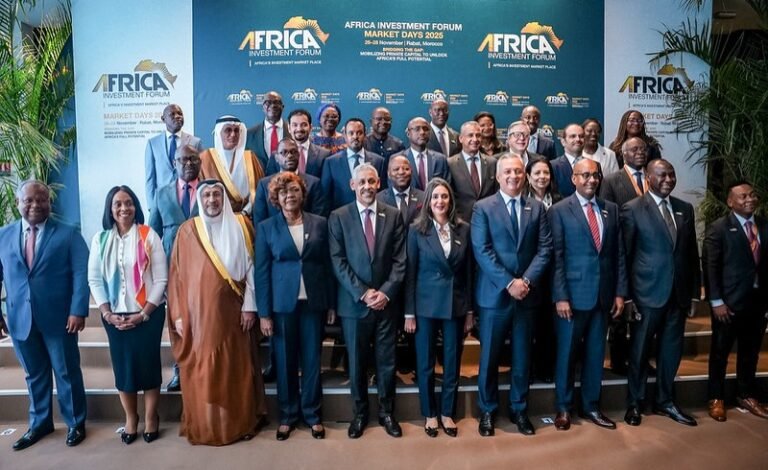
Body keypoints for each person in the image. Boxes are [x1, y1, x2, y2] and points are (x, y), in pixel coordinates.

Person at [167, 180, 267, 445]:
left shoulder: (241, 226)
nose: (212, 200)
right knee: (204, 371)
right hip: (199, 319)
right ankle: (208, 425)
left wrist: (250, 306)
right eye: (207, 195)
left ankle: (239, 423)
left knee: (236, 371)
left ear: (224, 198)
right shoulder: (187, 231)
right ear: (200, 200)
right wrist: (178, 315)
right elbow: (176, 277)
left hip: (236, 314)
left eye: (216, 195)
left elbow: (253, 269)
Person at [0, 180, 89, 450]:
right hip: (20, 318)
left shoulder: (68, 234)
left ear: (50, 203)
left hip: (60, 319)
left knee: (66, 372)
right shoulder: (3, 235)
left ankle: (75, 422)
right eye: (29, 200)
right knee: (34, 374)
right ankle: (39, 423)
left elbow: (81, 274)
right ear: (17, 203)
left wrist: (78, 310)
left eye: (42, 200)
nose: (35, 205)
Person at [471, 155, 553, 436]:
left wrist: (525, 281)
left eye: (518, 171)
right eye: (507, 171)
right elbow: (482, 250)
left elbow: (545, 249)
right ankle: (487, 410)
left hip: (527, 296)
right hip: (494, 296)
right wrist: (509, 283)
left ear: (525, 176)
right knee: (489, 358)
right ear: (497, 176)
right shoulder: (483, 208)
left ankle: (519, 410)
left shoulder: (537, 208)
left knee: (522, 358)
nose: (513, 176)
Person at [328, 163, 407, 439]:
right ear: (353, 185)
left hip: (386, 304)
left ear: (378, 184)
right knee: (357, 362)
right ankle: (360, 414)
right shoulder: (338, 217)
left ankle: (387, 413)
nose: (366, 187)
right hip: (354, 305)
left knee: (387, 361)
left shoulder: (393, 215)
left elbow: (400, 260)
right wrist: (363, 293)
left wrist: (385, 292)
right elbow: (337, 261)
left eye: (371, 181)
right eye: (361, 182)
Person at [255, 172, 335, 440]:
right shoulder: (266, 227)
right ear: (276, 198)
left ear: (303, 194)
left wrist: (331, 304)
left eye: (295, 190)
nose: (290, 195)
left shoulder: (320, 223)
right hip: (281, 306)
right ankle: (288, 415)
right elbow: (261, 273)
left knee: (312, 360)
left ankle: (312, 415)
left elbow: (327, 266)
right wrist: (264, 313)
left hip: (313, 303)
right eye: (284, 192)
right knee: (285, 361)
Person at [549, 158, 627, 431]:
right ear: (574, 179)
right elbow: (556, 257)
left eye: (595, 175)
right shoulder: (559, 210)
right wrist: (560, 296)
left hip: (603, 296)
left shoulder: (611, 209)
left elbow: (618, 253)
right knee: (567, 355)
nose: (591, 180)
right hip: (571, 297)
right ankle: (564, 407)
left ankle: (591, 406)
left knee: (596, 354)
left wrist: (620, 292)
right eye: (585, 175)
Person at [621, 159, 700, 427]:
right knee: (640, 352)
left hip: (678, 295)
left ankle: (665, 401)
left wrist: (694, 293)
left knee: (671, 352)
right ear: (648, 178)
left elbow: (691, 253)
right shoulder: (632, 209)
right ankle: (635, 402)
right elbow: (625, 255)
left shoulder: (684, 209)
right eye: (662, 175)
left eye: (671, 174)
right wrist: (627, 297)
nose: (668, 179)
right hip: (646, 295)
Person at [88, 185, 167, 444]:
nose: (124, 208)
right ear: (110, 209)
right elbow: (94, 279)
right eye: (118, 204)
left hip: (148, 316)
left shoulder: (148, 235)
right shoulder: (100, 239)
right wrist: (106, 313)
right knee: (123, 370)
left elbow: (161, 279)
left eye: (129, 203)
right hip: (115, 317)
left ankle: (152, 418)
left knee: (149, 367)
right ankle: (131, 418)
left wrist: (144, 314)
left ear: (136, 206)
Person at [404, 178, 473, 438]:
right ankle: (430, 413)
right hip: (425, 305)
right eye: (435, 197)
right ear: (428, 202)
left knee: (452, 362)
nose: (440, 201)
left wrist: (469, 311)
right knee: (425, 363)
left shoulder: (463, 229)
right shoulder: (416, 230)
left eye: (444, 196)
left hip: (455, 305)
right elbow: (410, 273)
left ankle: (447, 413)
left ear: (451, 200)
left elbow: (468, 273)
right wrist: (409, 312)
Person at [703, 181, 768, 422]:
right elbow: (710, 266)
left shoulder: (764, 225)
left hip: (757, 303)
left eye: (752, 195)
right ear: (730, 202)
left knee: (750, 353)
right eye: (743, 196)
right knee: (720, 353)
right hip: (728, 304)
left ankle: (746, 394)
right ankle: (716, 397)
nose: (750, 199)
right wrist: (716, 301)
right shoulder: (719, 228)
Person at [148, 144, 202, 392]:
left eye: (193, 159)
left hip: (204, 267)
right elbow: (153, 234)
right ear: (174, 164)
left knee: (203, 318)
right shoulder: (161, 193)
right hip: (173, 269)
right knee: (177, 320)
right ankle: (180, 368)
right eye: (183, 160)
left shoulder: (210, 189)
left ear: (200, 162)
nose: (188, 163)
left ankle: (201, 366)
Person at [599, 136, 648, 375]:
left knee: (644, 312)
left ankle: (641, 360)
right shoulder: (611, 180)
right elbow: (607, 215)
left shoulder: (653, 177)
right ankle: (618, 360)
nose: (640, 152)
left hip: (647, 254)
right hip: (622, 249)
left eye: (643, 149)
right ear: (624, 154)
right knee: (619, 310)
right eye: (634, 149)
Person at [377, 155, 425, 375]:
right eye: (396, 169)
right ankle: (389, 369)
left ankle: (414, 367)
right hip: (389, 270)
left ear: (411, 171)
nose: (401, 172)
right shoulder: (379, 198)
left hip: (418, 267)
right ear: (388, 173)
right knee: (390, 322)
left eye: (405, 168)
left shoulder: (424, 197)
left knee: (416, 322)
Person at [525, 157, 562, 382]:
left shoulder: (560, 200)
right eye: (537, 173)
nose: (542, 177)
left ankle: (546, 368)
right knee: (529, 326)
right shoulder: (522, 200)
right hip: (530, 271)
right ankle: (528, 368)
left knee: (549, 325)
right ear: (528, 177)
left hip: (554, 271)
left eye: (546, 173)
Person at [199, 115, 265, 214]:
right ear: (218, 133)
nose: (233, 134)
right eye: (228, 130)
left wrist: (245, 212)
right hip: (215, 217)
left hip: (247, 216)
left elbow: (259, 190)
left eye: (236, 130)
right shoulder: (205, 158)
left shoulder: (250, 157)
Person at [144, 104, 203, 211]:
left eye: (180, 114)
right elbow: (150, 178)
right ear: (163, 119)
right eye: (172, 114)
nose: (177, 116)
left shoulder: (195, 142)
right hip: (163, 202)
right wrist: (152, 206)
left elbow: (201, 173)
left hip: (188, 198)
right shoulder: (153, 144)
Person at [253, 138, 326, 224]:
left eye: (293, 152)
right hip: (272, 232)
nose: (289, 156)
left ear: (299, 155)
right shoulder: (264, 185)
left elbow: (318, 221)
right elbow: (259, 221)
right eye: (284, 152)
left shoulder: (314, 183)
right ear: (276, 158)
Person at [321, 118, 386, 211]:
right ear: (344, 135)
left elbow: (382, 193)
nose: (355, 137)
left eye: (359, 133)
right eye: (351, 133)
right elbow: (325, 196)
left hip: (370, 214)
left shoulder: (379, 161)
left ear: (365, 135)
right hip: (341, 215)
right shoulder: (331, 162)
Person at [447, 121, 498, 222]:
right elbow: (448, 195)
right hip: (461, 222)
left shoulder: (492, 162)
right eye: (470, 135)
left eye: (478, 135)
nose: (475, 139)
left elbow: (496, 193)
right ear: (461, 138)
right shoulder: (450, 163)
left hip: (488, 219)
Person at [265, 109, 330, 178]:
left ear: (310, 128)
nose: (299, 129)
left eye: (304, 125)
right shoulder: (276, 155)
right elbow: (270, 181)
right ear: (289, 128)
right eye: (295, 125)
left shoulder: (324, 155)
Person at [395, 116, 450, 191]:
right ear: (408, 134)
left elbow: (446, 187)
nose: (422, 132)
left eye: (425, 129)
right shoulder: (397, 159)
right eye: (417, 129)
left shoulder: (441, 159)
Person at [245, 91, 291, 171]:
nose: (273, 105)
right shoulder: (249, 134)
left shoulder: (293, 131)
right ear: (263, 107)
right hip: (260, 178)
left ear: (282, 107)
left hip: (288, 177)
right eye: (268, 102)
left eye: (276, 102)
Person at [551, 123, 586, 197]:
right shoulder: (552, 166)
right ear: (563, 142)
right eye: (573, 136)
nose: (578, 139)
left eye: (581, 136)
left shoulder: (594, 165)